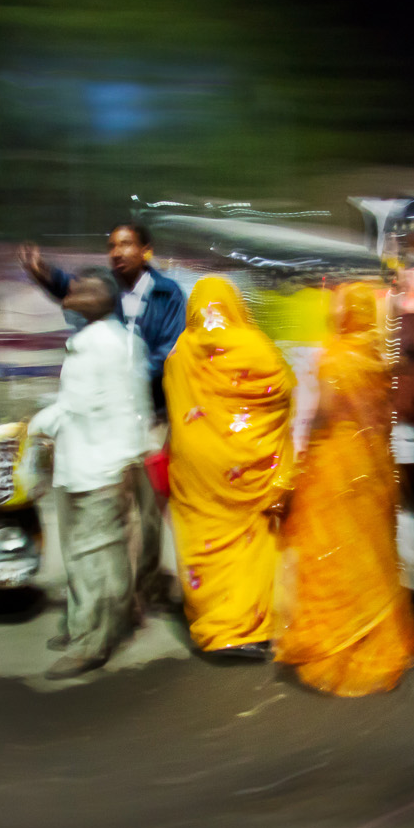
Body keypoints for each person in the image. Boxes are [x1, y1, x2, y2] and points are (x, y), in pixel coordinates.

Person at [275, 282, 414, 696]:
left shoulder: (334, 357)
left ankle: (333, 645)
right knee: (368, 553)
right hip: (371, 463)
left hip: (335, 463)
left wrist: (302, 448)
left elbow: (321, 412)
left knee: (330, 550)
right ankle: (371, 638)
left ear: (342, 313)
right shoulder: (377, 357)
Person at [27, 268, 154, 679]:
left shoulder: (94, 345)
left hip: (94, 468)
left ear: (103, 297)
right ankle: (99, 623)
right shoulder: (121, 340)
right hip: (103, 463)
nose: (72, 292)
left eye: (82, 288)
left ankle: (90, 644)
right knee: (101, 553)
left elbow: (73, 408)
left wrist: (32, 426)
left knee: (91, 558)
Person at [163, 276, 295, 660]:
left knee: (205, 542)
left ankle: (217, 630)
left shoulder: (179, 353)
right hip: (250, 464)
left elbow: (176, 404)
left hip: (198, 469)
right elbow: (281, 391)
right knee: (251, 545)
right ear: (235, 305)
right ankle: (249, 628)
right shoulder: (254, 347)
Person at [19, 223, 186, 418]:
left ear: (146, 251)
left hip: (153, 406)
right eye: (112, 247)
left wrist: (128, 377)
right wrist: (43, 271)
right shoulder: (105, 287)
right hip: (109, 406)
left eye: (125, 244)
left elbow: (170, 348)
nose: (116, 253)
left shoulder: (167, 293)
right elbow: (72, 287)